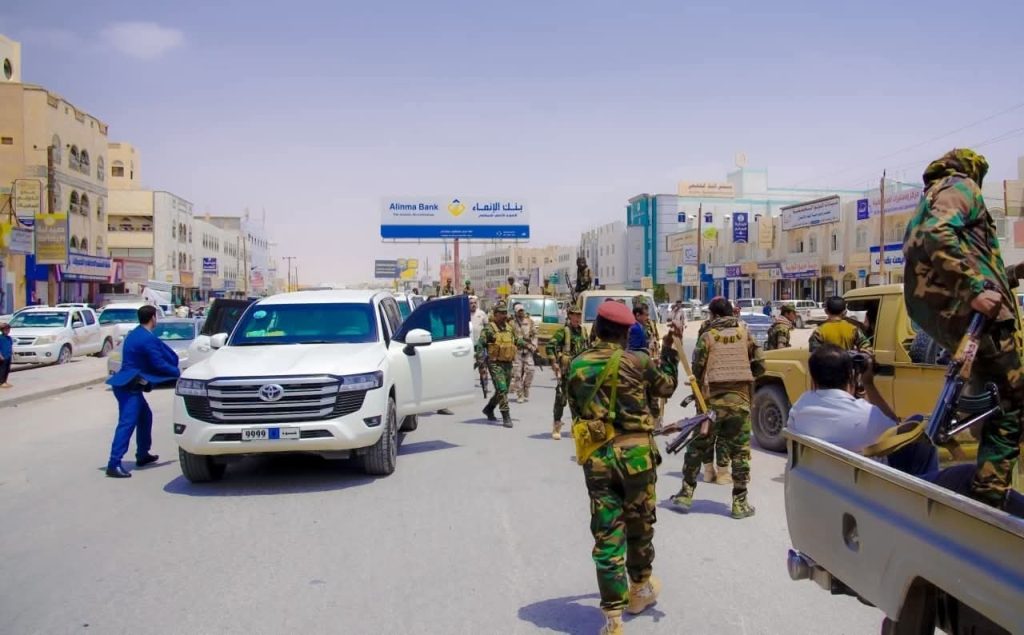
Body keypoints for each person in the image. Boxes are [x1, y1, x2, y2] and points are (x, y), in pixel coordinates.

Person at [903, 147, 1024, 509]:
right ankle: (989, 498)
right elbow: (936, 234)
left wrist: (1012, 275)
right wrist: (973, 290)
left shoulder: (932, 196)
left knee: (998, 403)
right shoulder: (961, 186)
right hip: (976, 316)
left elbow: (962, 255)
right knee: (1012, 407)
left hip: (952, 316)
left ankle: (985, 486)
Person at [566, 300, 679, 635]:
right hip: (636, 457)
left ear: (596, 329)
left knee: (607, 533)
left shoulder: (577, 364)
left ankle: (613, 619)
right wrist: (670, 352)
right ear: (626, 333)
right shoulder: (637, 361)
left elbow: (576, 410)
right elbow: (667, 387)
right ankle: (639, 589)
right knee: (640, 523)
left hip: (598, 458)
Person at [670, 296, 764, 519]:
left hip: (711, 405)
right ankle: (740, 503)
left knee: (697, 448)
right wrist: (745, 377)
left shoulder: (707, 336)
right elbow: (760, 365)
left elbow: (697, 370)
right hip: (740, 402)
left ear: (714, 315)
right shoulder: (745, 333)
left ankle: (685, 494)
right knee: (740, 452)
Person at [787, 344, 938, 475]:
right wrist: (868, 384)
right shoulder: (867, 415)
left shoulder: (799, 407)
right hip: (871, 482)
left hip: (821, 475)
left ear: (813, 379)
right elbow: (895, 428)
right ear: (850, 375)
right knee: (919, 423)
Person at [105, 305, 181, 478]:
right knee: (127, 423)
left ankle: (143, 454)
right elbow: (158, 363)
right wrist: (177, 373)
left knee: (145, 417)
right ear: (153, 318)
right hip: (129, 386)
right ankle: (114, 463)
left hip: (129, 383)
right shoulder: (147, 338)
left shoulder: (135, 333)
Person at [477, 301, 522, 428]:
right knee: (502, 389)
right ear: (495, 315)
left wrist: (528, 345)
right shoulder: (489, 329)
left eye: (505, 313)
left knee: (503, 390)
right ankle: (506, 416)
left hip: (508, 363)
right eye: (501, 313)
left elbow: (516, 340)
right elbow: (480, 345)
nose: (504, 316)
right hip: (495, 363)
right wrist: (481, 363)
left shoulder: (509, 328)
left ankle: (489, 408)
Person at [546, 302, 587, 440]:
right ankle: (556, 426)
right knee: (561, 399)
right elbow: (550, 346)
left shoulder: (583, 331)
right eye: (574, 315)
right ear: (569, 316)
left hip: (580, 371)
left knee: (578, 401)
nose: (577, 318)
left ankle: (576, 427)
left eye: (579, 315)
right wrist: (554, 362)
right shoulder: (564, 331)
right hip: (566, 371)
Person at [510, 303, 538, 403]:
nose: (521, 312)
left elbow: (535, 334)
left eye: (522, 310)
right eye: (519, 311)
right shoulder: (511, 323)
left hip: (528, 350)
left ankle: (526, 387)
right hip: (516, 351)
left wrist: (533, 346)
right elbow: (509, 336)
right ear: (516, 312)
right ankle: (520, 394)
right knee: (517, 374)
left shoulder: (530, 322)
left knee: (531, 370)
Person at [0, 322, 13, 388]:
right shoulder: (0, 338)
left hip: (8, 355)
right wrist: (0, 355)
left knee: (7, 369)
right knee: (2, 369)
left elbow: (10, 346)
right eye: (6, 329)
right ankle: (1, 382)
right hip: (2, 356)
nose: (7, 331)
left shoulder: (9, 338)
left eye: (8, 329)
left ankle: (5, 381)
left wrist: (12, 353)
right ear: (2, 330)